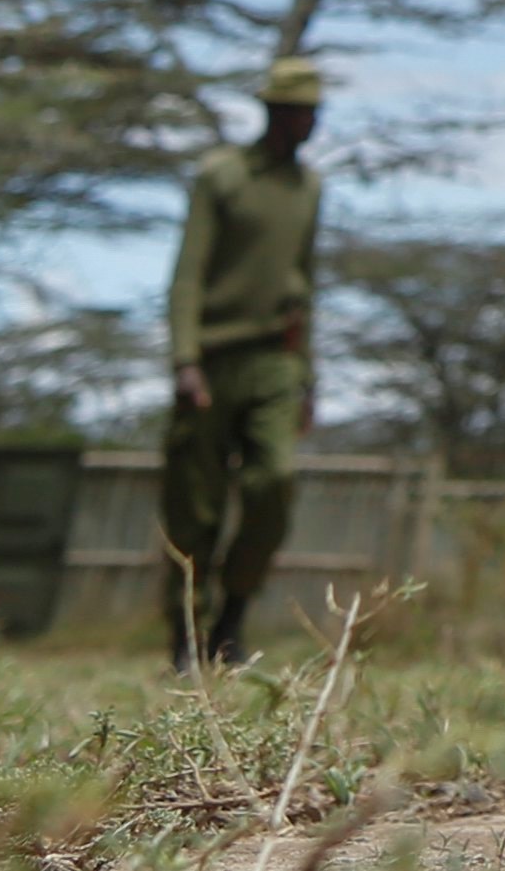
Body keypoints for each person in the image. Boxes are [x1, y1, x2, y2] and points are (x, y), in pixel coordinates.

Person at [158, 52, 326, 668]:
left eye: (314, 112)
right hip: (211, 357)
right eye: (296, 111)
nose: (306, 123)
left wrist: (308, 375)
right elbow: (188, 273)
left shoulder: (308, 188)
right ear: (273, 113)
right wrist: (184, 359)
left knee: (274, 482)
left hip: (276, 362)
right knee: (194, 507)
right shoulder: (222, 176)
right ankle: (187, 635)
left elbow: (306, 281)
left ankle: (233, 614)